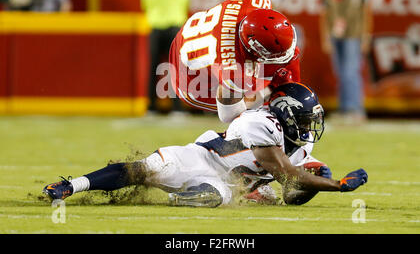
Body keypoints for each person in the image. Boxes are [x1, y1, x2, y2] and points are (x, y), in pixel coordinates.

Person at [43, 82, 368, 207]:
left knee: (211, 196)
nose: (310, 127)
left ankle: (175, 199)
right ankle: (73, 185)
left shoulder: (299, 142)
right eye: (305, 119)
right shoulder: (262, 123)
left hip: (224, 183)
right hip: (198, 158)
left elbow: (292, 195)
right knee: (141, 169)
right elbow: (288, 175)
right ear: (285, 115)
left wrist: (316, 184)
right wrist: (334, 184)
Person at [169, 0, 301, 123]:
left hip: (193, 36)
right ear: (254, 51)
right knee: (252, 117)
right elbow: (229, 116)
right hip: (188, 80)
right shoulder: (234, 72)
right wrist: (268, 90)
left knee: (283, 64)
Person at [319, 0, 372, 123]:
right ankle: (344, 108)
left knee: (351, 72)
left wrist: (366, 35)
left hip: (354, 34)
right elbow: (324, 15)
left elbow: (366, 13)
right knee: (341, 73)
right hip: (336, 35)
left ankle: (355, 109)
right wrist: (326, 36)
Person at [141, 0, 191, 113]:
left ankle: (151, 107)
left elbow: (145, 5)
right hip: (174, 29)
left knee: (153, 68)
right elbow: (185, 4)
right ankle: (177, 108)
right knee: (175, 69)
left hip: (156, 28)